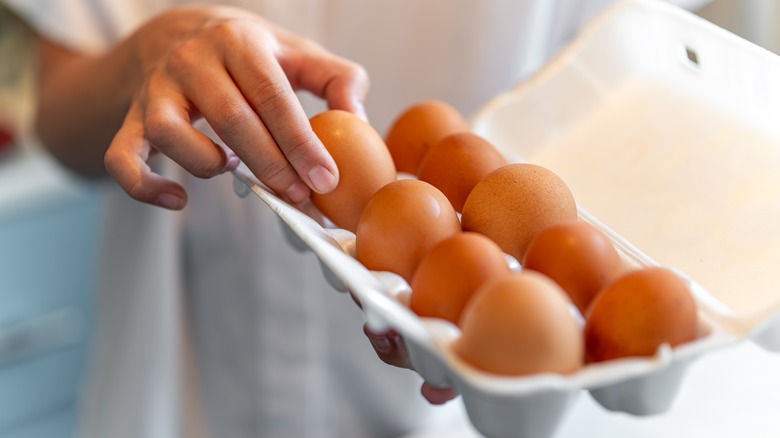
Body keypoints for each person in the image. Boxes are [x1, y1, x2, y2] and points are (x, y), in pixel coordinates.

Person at [0, 1, 711, 437]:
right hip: (182, 393)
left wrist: (498, 299)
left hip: (469, 408)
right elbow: (60, 119)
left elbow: (639, 86)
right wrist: (145, 53)